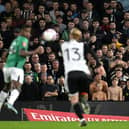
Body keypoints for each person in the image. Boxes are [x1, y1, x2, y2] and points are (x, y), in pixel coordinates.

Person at [61, 28, 105, 126]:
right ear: (79, 37)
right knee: (83, 93)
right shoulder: (83, 45)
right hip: (83, 73)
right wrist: (98, 65)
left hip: (71, 74)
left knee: (74, 100)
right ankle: (84, 102)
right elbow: (92, 53)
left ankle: (81, 119)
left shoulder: (65, 46)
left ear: (71, 36)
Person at [0, 25, 43, 114]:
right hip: (16, 67)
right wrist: (36, 51)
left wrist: (5, 60)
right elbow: (22, 52)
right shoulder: (23, 40)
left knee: (6, 87)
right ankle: (10, 103)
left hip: (8, 67)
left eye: (29, 32)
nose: (29, 34)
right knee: (18, 88)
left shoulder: (15, 41)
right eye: (27, 32)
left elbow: (5, 54)